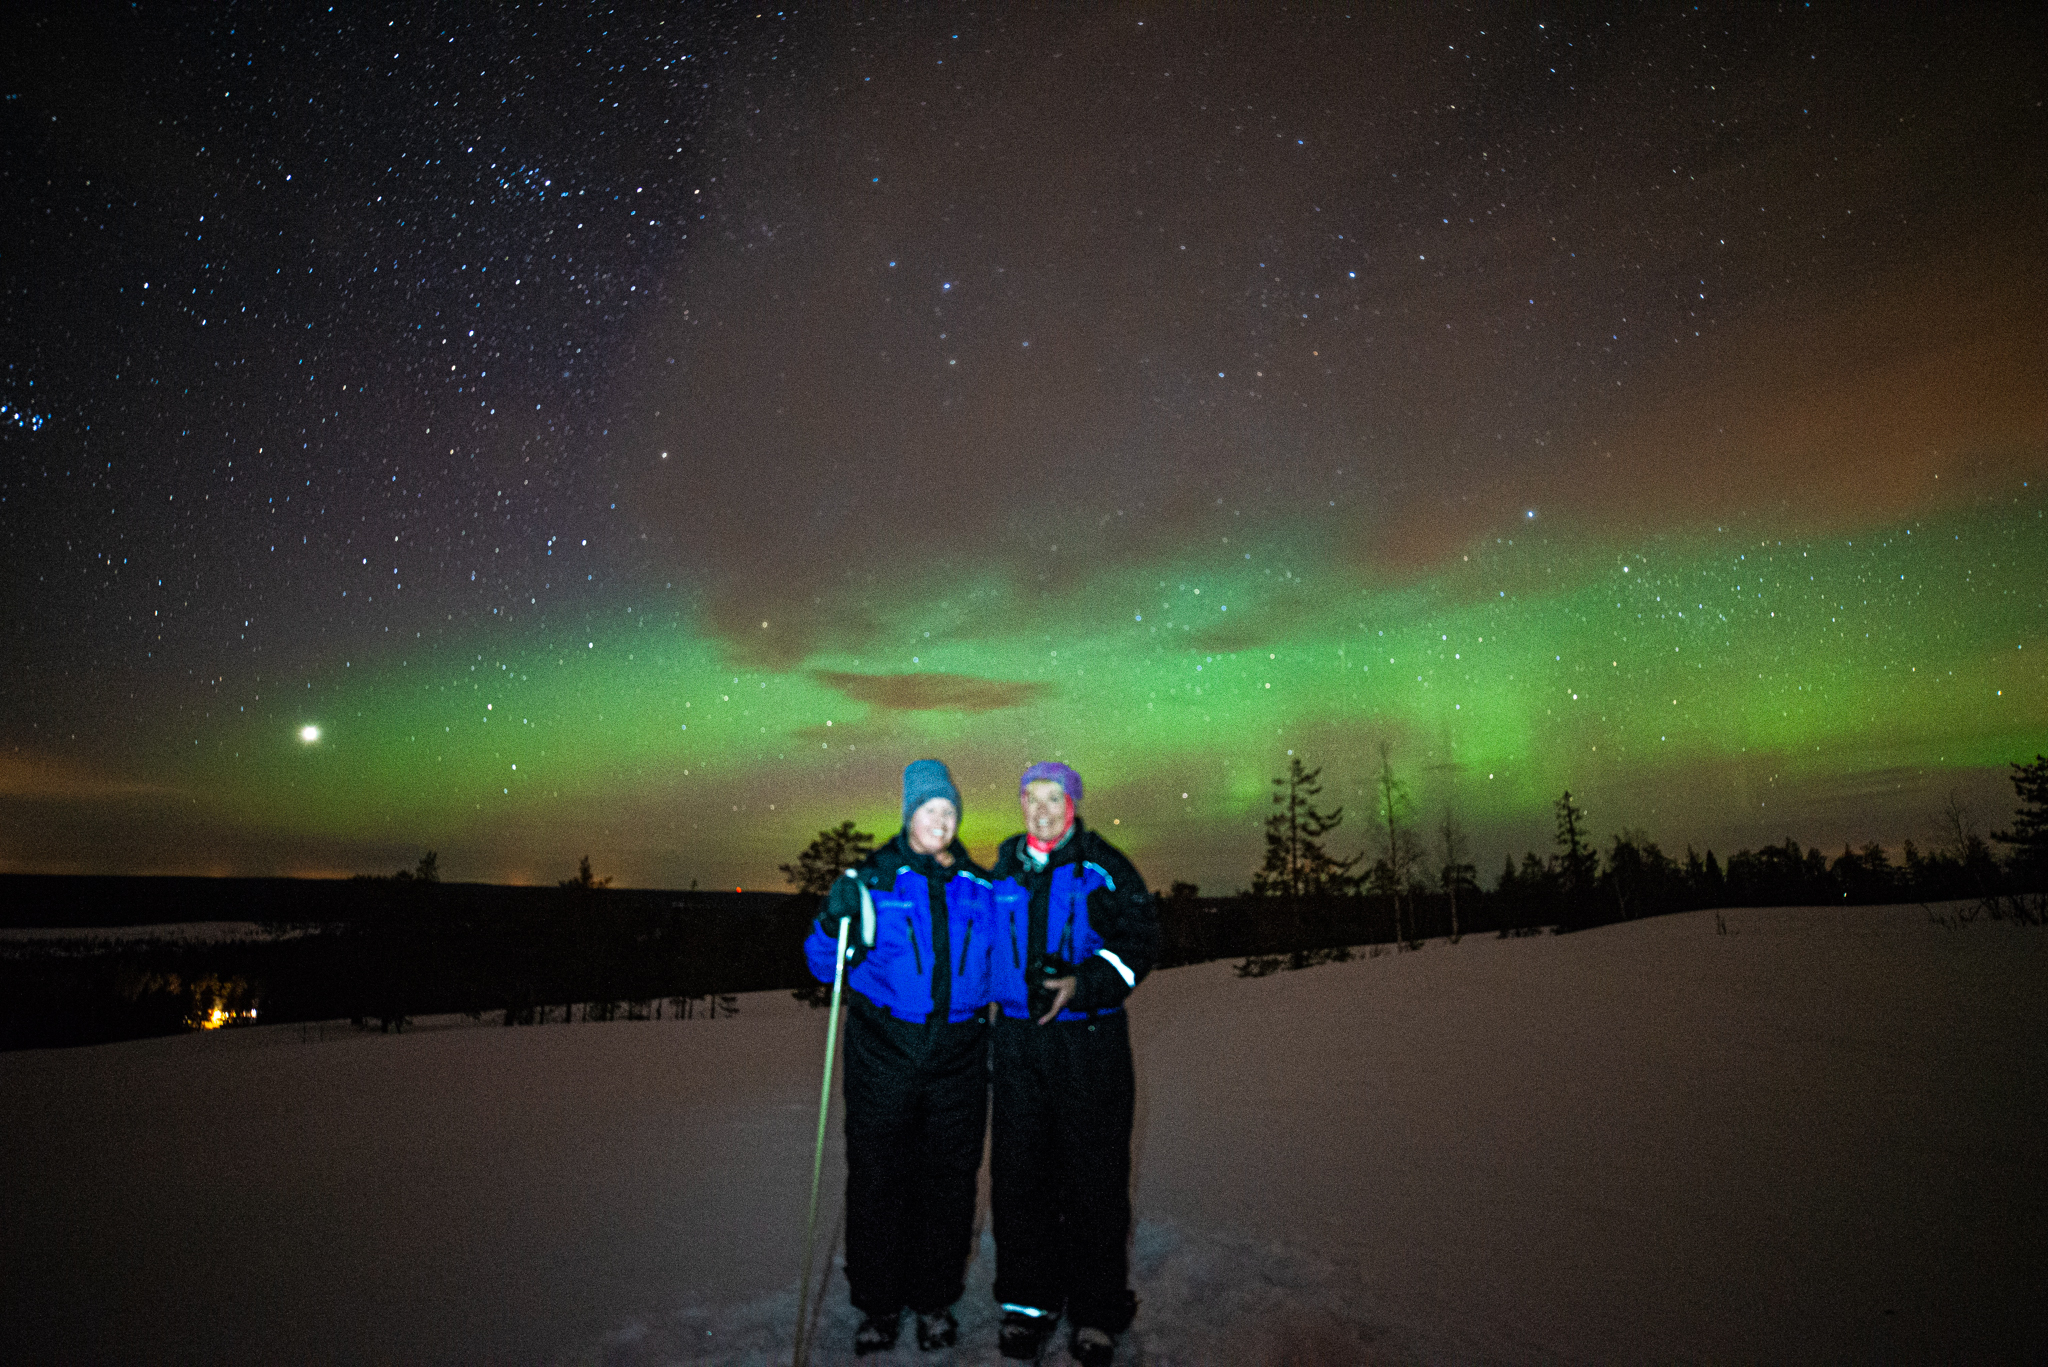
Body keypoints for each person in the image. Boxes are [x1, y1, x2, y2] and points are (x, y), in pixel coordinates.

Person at [803, 759, 995, 1356]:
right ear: (909, 814)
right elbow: (819, 962)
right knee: (879, 1182)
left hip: (960, 1056)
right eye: (929, 809)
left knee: (949, 1184)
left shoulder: (979, 886)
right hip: (884, 1053)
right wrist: (834, 922)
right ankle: (879, 1305)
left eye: (949, 811)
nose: (940, 820)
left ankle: (935, 1299)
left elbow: (1004, 963)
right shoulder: (871, 882)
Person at [987, 761, 1160, 1366]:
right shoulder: (1003, 868)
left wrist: (1083, 984)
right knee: (1020, 1179)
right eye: (1031, 797)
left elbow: (1139, 947)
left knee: (1093, 1179)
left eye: (1054, 798)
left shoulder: (1104, 867)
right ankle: (1029, 1306)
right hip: (1016, 1046)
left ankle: (1095, 1311)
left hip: (1090, 1045)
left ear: (1074, 804)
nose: (1042, 809)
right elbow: (965, 937)